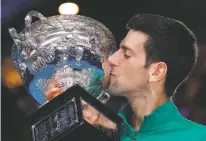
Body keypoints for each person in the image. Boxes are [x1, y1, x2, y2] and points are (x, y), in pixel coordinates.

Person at [46, 14, 206, 141]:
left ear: (156, 72)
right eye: (117, 50)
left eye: (126, 54)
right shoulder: (99, 127)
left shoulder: (197, 137)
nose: (111, 59)